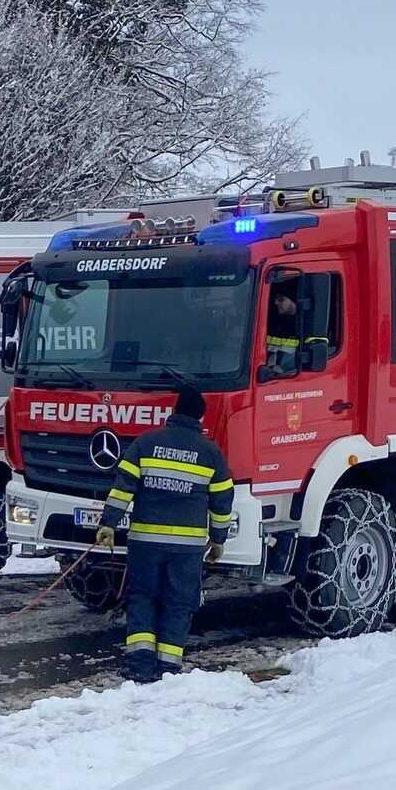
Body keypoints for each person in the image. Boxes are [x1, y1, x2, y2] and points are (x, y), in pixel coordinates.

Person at [94, 386, 234, 683]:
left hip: (146, 541)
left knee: (142, 597)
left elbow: (122, 489)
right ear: (200, 417)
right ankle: (169, 666)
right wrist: (218, 540)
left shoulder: (146, 444)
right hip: (187, 547)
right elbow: (222, 501)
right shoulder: (211, 453)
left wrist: (108, 523)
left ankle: (140, 665)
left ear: (174, 411)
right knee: (179, 602)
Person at [264, 278, 302, 375]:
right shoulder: (273, 321)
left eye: (281, 299)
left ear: (293, 300)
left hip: (291, 373)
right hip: (271, 371)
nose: (276, 303)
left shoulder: (306, 325)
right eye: (275, 299)